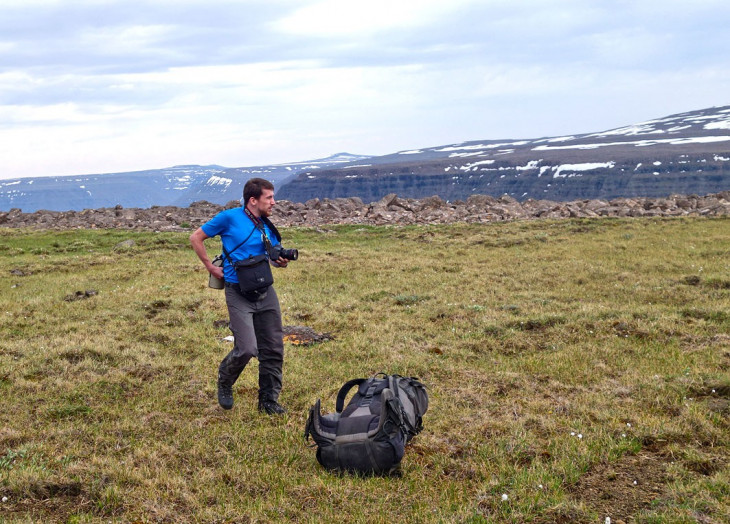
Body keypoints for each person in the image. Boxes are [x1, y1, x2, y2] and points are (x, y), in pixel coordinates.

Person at [190, 178, 289, 415]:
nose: (274, 202)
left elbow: (272, 256)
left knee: (273, 349)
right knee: (246, 349)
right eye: (269, 198)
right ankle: (225, 380)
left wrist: (280, 261)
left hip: (265, 292)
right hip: (238, 292)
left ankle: (268, 401)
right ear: (253, 200)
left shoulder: (267, 225)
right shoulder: (229, 218)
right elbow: (196, 238)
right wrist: (210, 267)